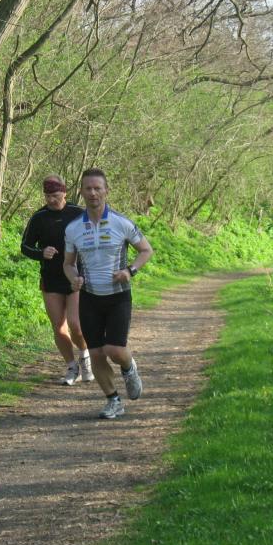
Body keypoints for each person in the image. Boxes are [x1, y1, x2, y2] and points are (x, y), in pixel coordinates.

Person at [63, 168, 153, 419]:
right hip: (89, 297)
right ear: (81, 192)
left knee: (115, 350)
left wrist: (130, 271)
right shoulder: (73, 228)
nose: (93, 193)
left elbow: (146, 250)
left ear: (106, 191)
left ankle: (129, 367)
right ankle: (113, 400)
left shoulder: (121, 223)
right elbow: (68, 264)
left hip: (117, 296)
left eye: (97, 188)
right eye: (88, 188)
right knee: (96, 353)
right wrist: (74, 278)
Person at [21, 175, 93, 386]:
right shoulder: (39, 217)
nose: (51, 200)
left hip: (76, 276)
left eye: (55, 195)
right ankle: (71, 367)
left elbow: (94, 239)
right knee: (58, 327)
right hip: (51, 279)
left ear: (65, 193)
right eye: (47, 196)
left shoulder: (79, 213)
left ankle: (85, 357)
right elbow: (25, 246)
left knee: (76, 325)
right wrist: (41, 253)